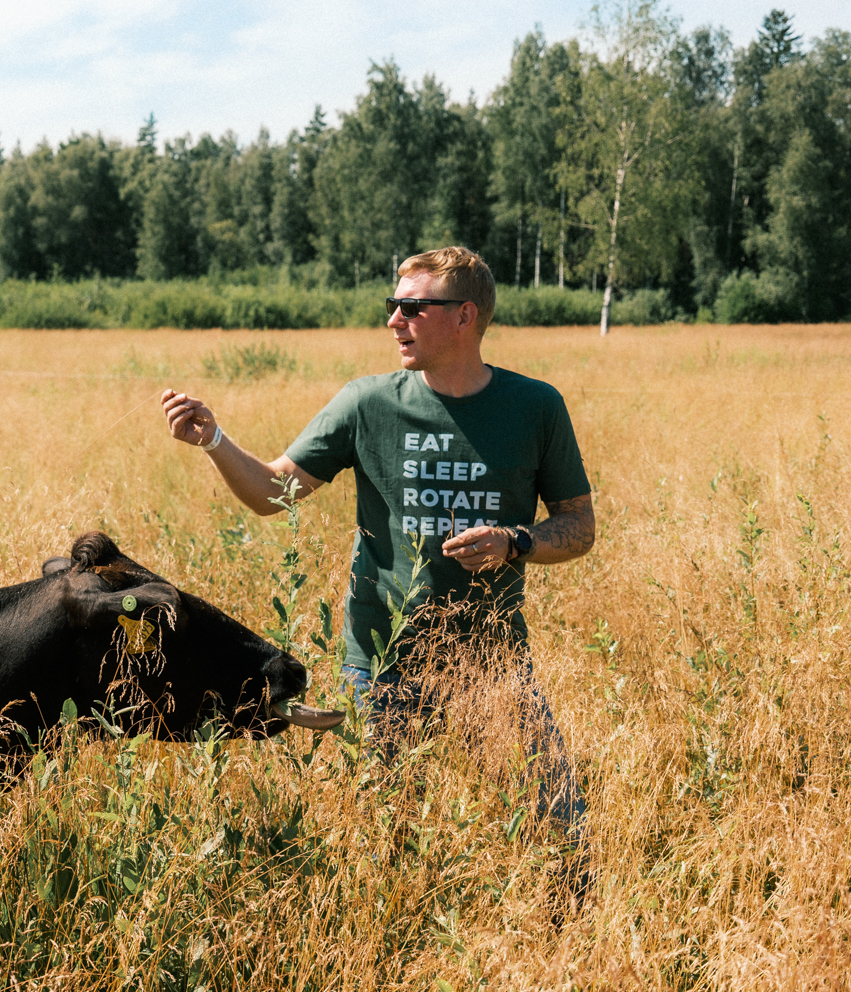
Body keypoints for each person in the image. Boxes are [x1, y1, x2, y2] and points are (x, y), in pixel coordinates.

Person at [160, 246, 596, 828]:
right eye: (393, 305)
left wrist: (514, 542)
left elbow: (579, 526)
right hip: (382, 666)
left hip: (493, 664)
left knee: (558, 824)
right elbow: (272, 492)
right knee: (387, 832)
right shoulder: (367, 403)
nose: (394, 320)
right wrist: (214, 441)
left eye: (412, 307)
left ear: (465, 316)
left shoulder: (536, 407)